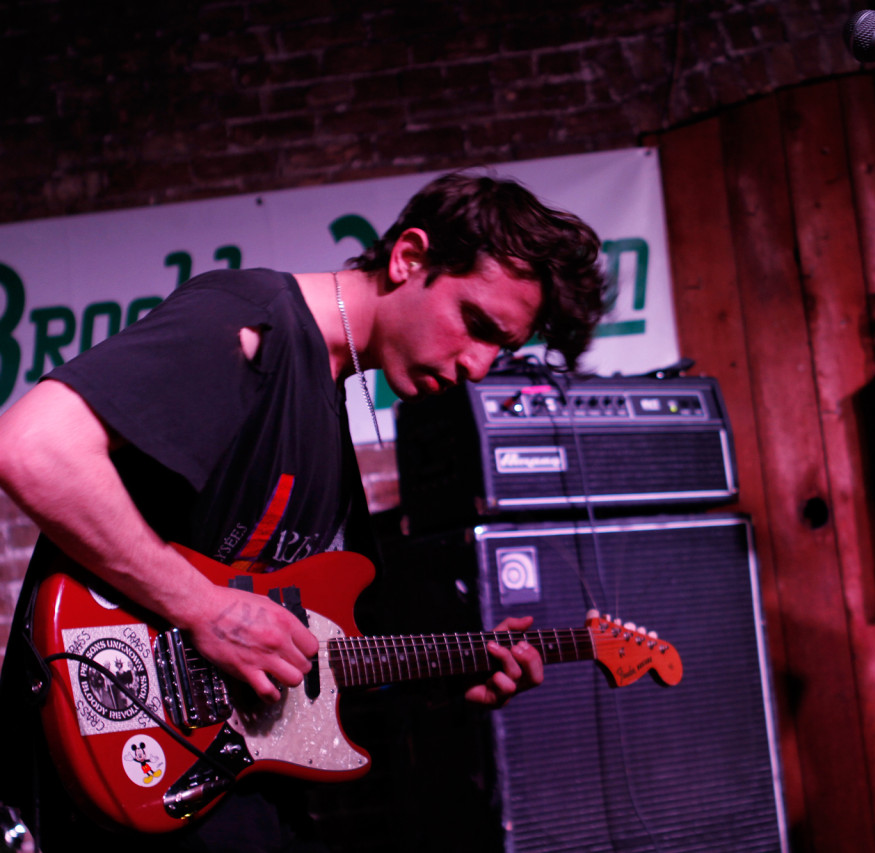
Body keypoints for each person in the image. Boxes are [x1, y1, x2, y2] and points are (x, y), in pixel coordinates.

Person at [0, 171, 607, 851]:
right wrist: (205, 607)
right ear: (410, 258)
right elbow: (30, 446)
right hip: (117, 756)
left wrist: (453, 674)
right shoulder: (248, 319)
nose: (480, 365)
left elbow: (306, 656)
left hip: (219, 789)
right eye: (476, 324)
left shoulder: (325, 398)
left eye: (503, 348)